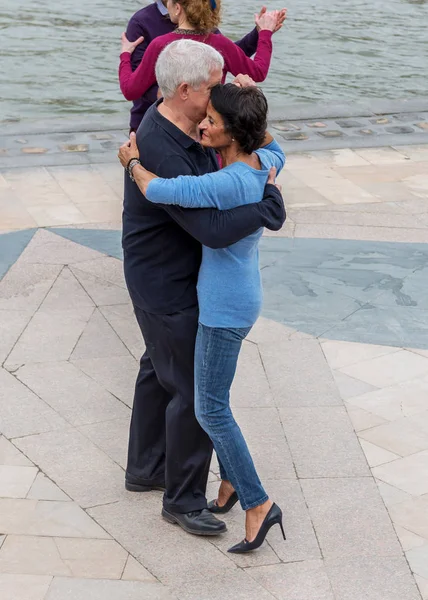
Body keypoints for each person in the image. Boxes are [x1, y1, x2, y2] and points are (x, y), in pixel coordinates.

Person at [120, 39, 285, 538]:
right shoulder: (160, 146)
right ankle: (184, 499)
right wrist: (268, 206)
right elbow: (211, 230)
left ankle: (146, 469)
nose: (219, 96)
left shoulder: (181, 123)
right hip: (165, 277)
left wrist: (249, 116)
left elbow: (262, 152)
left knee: (159, 368)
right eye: (214, 88)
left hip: (168, 272)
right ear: (186, 89)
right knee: (193, 390)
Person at [125, 1, 286, 132]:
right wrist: (265, 33)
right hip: (206, 130)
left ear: (177, 8)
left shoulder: (159, 45)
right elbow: (257, 71)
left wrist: (125, 54)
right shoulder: (218, 42)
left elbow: (130, 90)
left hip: (162, 127)